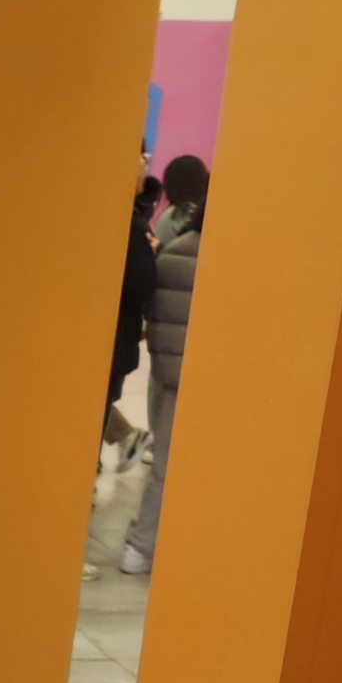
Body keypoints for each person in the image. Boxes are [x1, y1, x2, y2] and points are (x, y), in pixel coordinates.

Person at [122, 152, 209, 575]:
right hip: (209, 380)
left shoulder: (171, 251)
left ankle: (139, 546)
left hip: (168, 377)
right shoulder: (228, 261)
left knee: (164, 465)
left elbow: (153, 311)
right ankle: (163, 545)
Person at [100, 151, 158, 489]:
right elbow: (141, 283)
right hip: (115, 337)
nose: (144, 171)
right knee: (97, 406)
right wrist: (151, 255)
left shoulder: (116, 218)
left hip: (107, 336)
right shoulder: (131, 226)